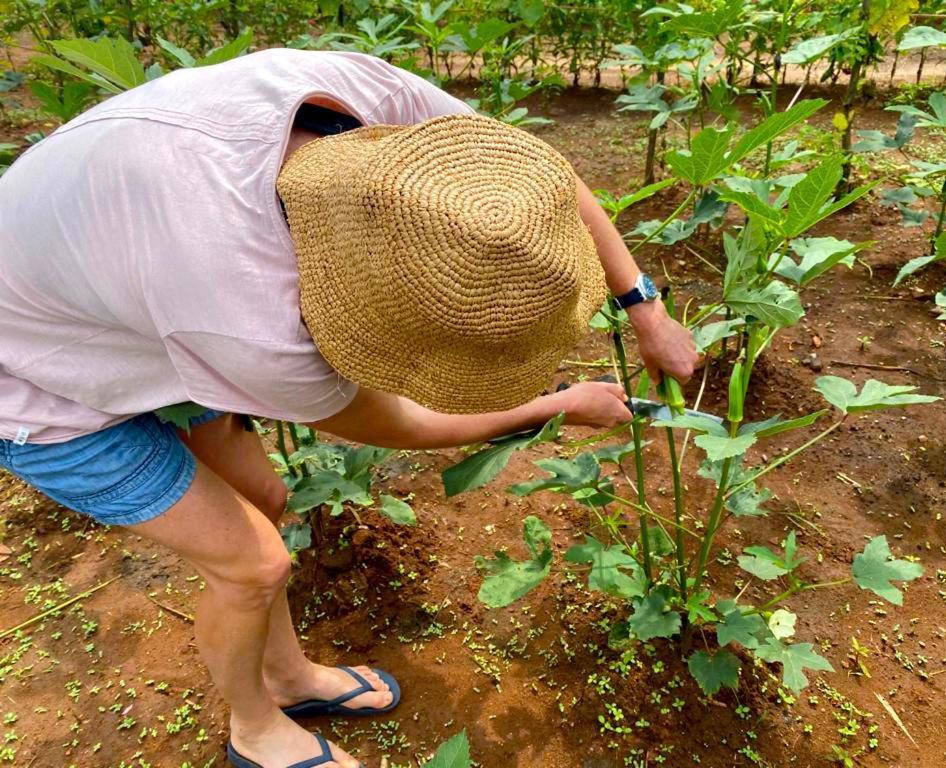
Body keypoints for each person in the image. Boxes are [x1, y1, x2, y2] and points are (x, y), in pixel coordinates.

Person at [0, 49, 698, 768]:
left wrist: (642, 305)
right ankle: (255, 731)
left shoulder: (365, 96)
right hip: (31, 378)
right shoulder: (249, 322)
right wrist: (552, 406)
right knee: (252, 566)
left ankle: (289, 675)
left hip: (110, 286)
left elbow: (540, 178)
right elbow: (394, 424)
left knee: (264, 495)